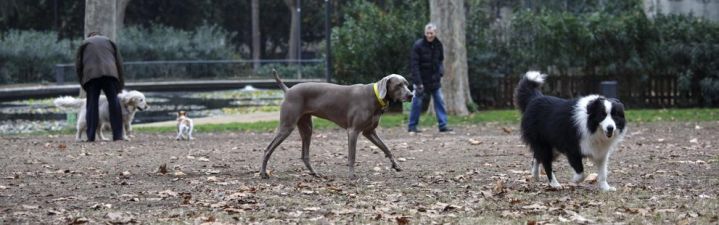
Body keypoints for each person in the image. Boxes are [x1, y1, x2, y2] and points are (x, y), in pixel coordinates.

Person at [75, 32, 125, 141]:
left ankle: (91, 136)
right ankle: (118, 135)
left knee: (92, 104)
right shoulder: (109, 41)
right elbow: (119, 63)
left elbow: (79, 65)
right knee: (114, 102)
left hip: (91, 76)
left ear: (89, 37)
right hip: (110, 73)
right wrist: (120, 85)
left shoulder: (84, 43)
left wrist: (83, 84)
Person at [408, 23, 452, 133]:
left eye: (431, 33)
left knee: (440, 101)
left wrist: (440, 71)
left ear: (435, 33)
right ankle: (412, 126)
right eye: (427, 33)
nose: (429, 35)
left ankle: (443, 125)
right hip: (421, 81)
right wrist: (418, 82)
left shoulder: (438, 45)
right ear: (424, 33)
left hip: (434, 81)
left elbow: (440, 60)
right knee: (417, 103)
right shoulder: (418, 45)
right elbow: (414, 65)